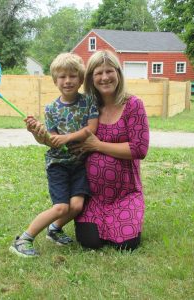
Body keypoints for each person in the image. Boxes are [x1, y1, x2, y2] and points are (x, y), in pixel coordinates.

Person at [9, 53, 99, 257]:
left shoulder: (89, 102)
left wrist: (66, 138)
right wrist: (37, 132)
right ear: (55, 80)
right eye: (62, 77)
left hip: (79, 164)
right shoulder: (51, 109)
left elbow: (90, 129)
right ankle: (23, 239)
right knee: (60, 207)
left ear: (81, 78)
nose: (67, 81)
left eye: (72, 76)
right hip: (58, 164)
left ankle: (54, 230)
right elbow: (51, 140)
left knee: (76, 205)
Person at [73, 50, 150, 251]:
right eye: (98, 73)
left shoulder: (133, 105)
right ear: (91, 78)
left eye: (109, 71)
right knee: (89, 242)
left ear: (118, 73)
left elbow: (139, 149)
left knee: (126, 245)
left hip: (125, 194)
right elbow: (66, 136)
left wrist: (98, 145)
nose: (105, 77)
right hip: (94, 197)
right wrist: (41, 134)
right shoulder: (87, 107)